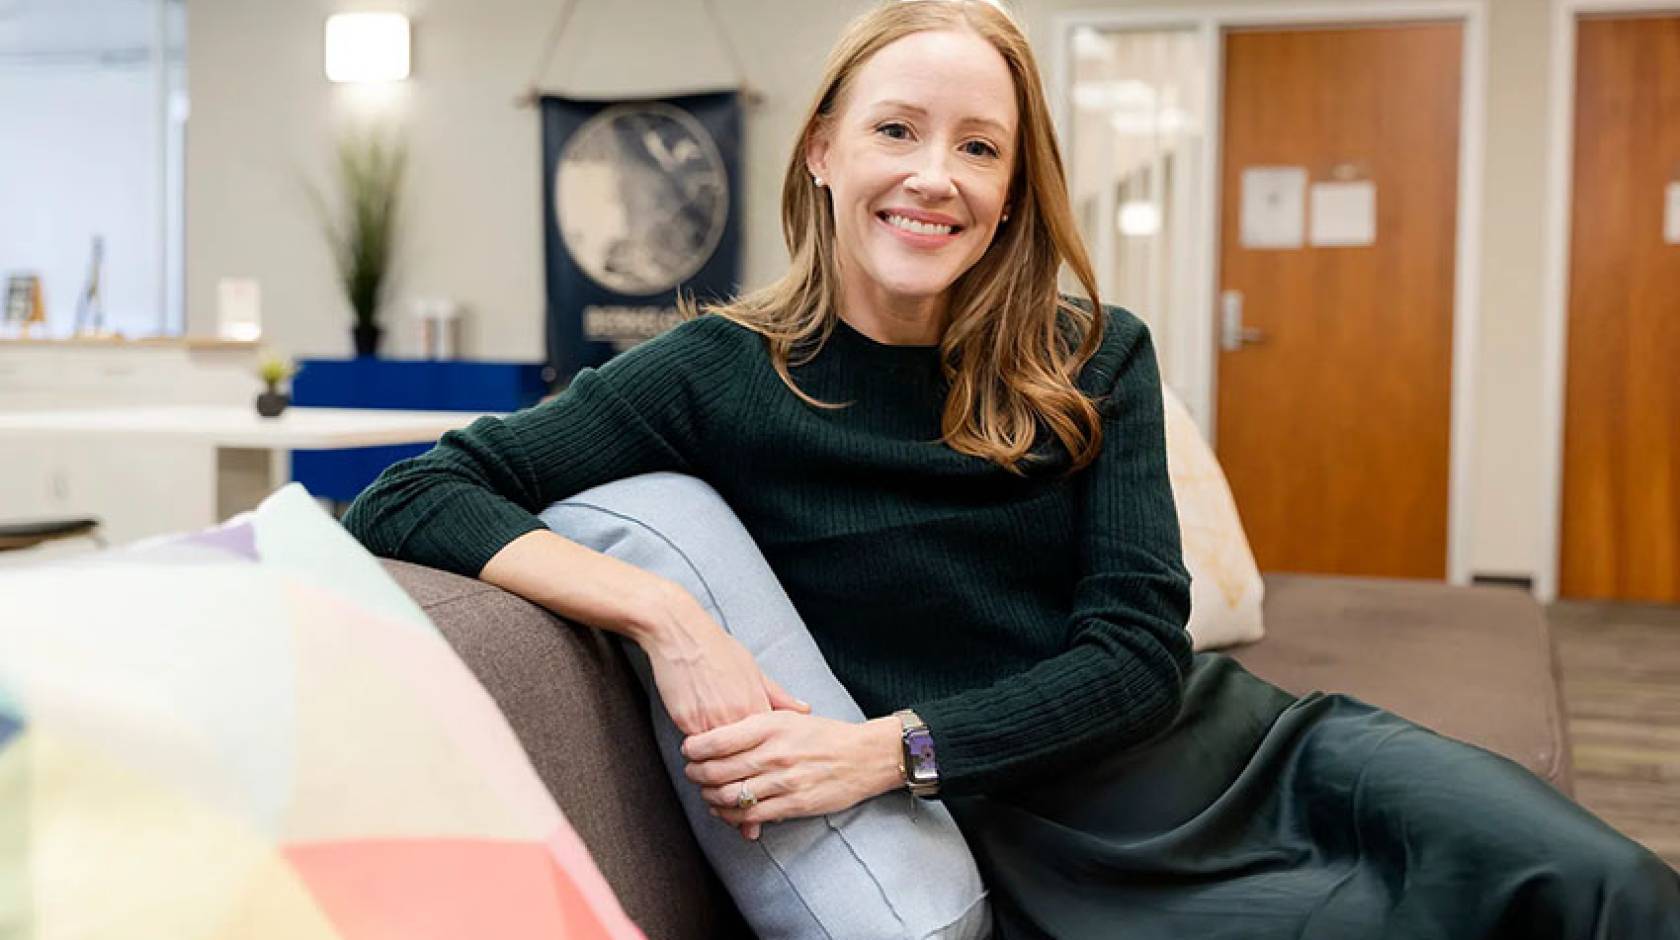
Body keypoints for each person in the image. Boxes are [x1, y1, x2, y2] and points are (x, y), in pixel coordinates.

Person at [342, 1, 1680, 935]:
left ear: (1013, 185)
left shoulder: (1094, 353)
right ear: (822, 151)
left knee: (1601, 882)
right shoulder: (715, 375)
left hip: (1257, 756)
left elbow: (1139, 651)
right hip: (1068, 853)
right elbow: (410, 494)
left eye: (979, 147)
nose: (936, 177)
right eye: (897, 131)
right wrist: (663, 610)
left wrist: (891, 752)